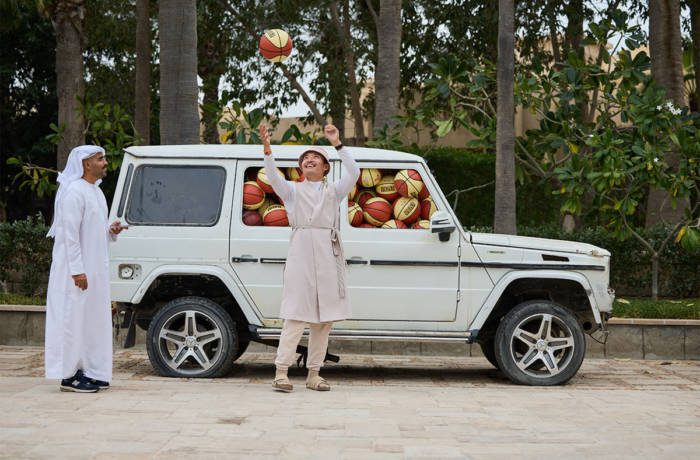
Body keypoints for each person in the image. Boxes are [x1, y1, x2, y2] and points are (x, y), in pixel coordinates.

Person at [259, 123, 360, 392]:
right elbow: (272, 175)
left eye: (315, 157)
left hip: (328, 253)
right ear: (300, 167)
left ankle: (314, 374)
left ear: (326, 166)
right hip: (301, 253)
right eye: (305, 158)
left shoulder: (334, 191)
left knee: (324, 320)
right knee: (294, 315)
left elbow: (354, 171)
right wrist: (267, 148)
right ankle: (281, 372)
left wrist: (337, 144)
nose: (309, 160)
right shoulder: (291, 191)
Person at [45, 145, 127, 393]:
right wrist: (78, 271)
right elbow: (69, 236)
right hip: (75, 273)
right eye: (100, 159)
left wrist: (110, 230)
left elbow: (91, 230)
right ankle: (68, 376)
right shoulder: (74, 192)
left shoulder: (95, 192)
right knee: (72, 321)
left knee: (90, 322)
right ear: (85, 164)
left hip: (93, 271)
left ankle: (92, 370)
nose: (105, 162)